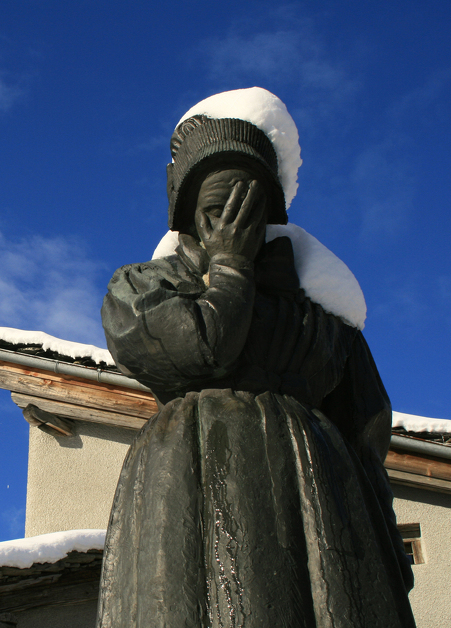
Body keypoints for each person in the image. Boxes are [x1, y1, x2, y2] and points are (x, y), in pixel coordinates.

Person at [96, 88, 416, 627]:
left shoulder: (317, 315)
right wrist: (230, 270)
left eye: (248, 202)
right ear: (186, 210)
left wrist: (383, 546)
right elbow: (205, 348)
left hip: (316, 491)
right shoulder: (145, 288)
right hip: (186, 481)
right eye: (217, 205)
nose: (233, 219)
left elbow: (366, 431)